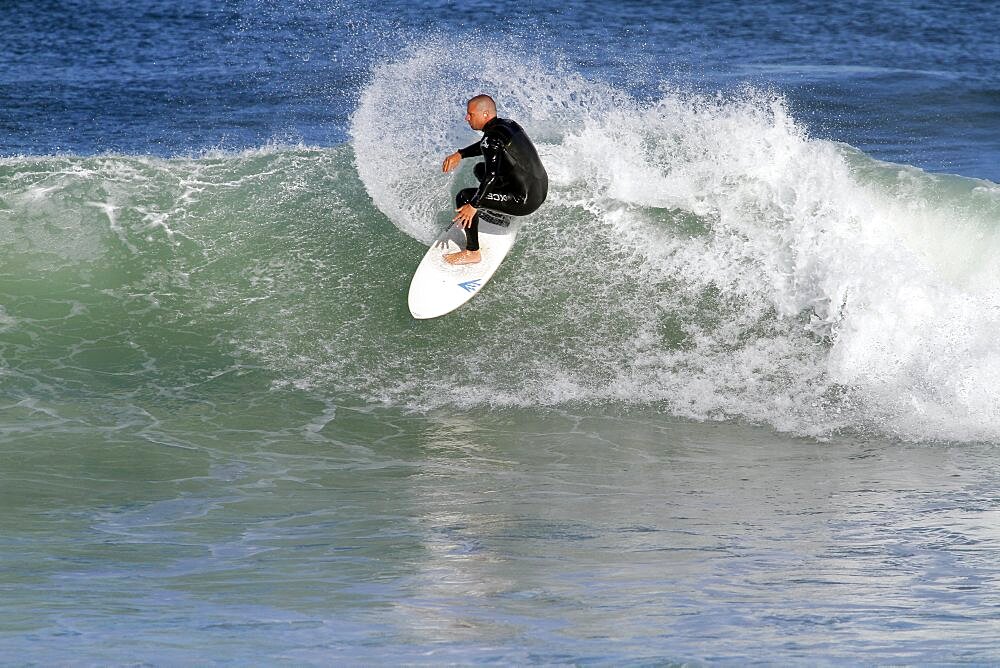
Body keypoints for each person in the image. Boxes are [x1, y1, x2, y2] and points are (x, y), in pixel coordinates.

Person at [440, 95, 548, 265]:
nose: (467, 118)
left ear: (485, 115)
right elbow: (486, 145)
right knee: (479, 169)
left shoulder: (491, 138)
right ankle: (500, 212)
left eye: (470, 114)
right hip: (539, 188)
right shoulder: (508, 125)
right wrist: (461, 154)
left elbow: (491, 175)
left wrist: (473, 205)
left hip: (525, 201)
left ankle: (472, 252)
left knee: (465, 197)